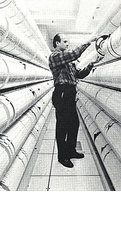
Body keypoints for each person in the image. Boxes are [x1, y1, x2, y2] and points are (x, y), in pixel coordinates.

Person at [49, 34, 98, 169]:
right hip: (62, 94)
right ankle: (62, 156)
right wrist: (88, 41)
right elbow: (74, 54)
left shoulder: (69, 63)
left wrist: (92, 63)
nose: (67, 44)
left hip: (70, 94)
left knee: (74, 124)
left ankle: (70, 150)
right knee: (62, 126)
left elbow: (79, 74)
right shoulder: (55, 57)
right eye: (65, 41)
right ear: (57, 43)